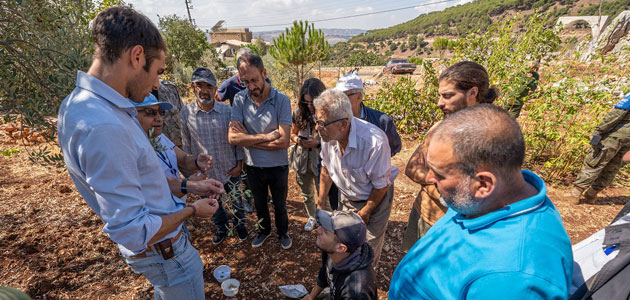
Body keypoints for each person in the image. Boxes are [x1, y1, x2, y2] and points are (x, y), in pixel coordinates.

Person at [57, 7, 223, 300]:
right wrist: (192, 211)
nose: (157, 84)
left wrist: (190, 185)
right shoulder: (103, 125)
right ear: (136, 57)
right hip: (166, 255)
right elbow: (134, 230)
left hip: (163, 254)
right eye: (157, 71)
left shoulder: (82, 105)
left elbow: (143, 180)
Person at [389, 104, 573, 299]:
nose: (430, 177)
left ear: (483, 184)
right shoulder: (481, 200)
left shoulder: (514, 278)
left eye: (440, 174)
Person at [402, 61, 499, 252]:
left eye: (447, 96)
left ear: (472, 93)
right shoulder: (440, 128)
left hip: (458, 229)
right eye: (440, 96)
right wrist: (442, 191)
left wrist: (435, 185)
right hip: (424, 215)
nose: (440, 103)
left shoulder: (493, 136)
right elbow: (412, 167)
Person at [314, 89, 397, 266]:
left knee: (367, 250)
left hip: (375, 198)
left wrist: (366, 211)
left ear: (343, 124)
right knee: (344, 245)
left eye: (321, 123)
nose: (316, 128)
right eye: (316, 122)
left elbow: (381, 185)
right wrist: (321, 203)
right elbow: (326, 170)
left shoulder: (374, 142)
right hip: (349, 195)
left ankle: (363, 284)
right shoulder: (328, 136)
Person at [228, 52, 293, 249]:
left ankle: (283, 232)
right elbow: (232, 137)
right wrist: (266, 136)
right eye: (245, 81)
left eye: (254, 80)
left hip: (278, 165)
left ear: (264, 73)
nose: (251, 87)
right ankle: (264, 231)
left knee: (280, 205)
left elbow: (284, 141)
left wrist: (247, 139)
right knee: (260, 203)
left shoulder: (281, 100)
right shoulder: (240, 99)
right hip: (252, 166)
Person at [181, 67, 248, 244]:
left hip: (229, 169)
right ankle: (221, 228)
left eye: (209, 86)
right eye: (200, 86)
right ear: (192, 87)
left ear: (215, 88)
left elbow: (238, 140)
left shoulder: (227, 112)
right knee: (213, 206)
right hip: (206, 175)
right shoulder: (186, 113)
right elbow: (186, 146)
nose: (204, 90)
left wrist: (239, 164)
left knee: (236, 202)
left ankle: (240, 226)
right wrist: (194, 175)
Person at [132, 94, 219, 199]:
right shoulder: (131, 148)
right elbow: (154, 191)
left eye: (161, 112)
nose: (159, 118)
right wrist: (189, 185)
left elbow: (183, 158)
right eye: (151, 113)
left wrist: (196, 161)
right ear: (132, 114)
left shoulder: (159, 137)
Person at [566, 91, 630, 204]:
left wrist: (599, 131)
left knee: (595, 161)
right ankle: (592, 193)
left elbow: (616, 114)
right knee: (613, 166)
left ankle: (575, 193)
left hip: (616, 135)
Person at [302, 209, 377, 300]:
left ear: (341, 248)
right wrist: (311, 297)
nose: (318, 229)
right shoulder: (331, 251)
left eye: (325, 231)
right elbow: (324, 275)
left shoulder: (356, 292)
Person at [334, 71, 402, 157]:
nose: (339, 100)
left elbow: (394, 147)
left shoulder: (381, 121)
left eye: (343, 96)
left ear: (359, 97)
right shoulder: (334, 121)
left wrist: (375, 160)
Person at [290, 78, 326, 231]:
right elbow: (292, 134)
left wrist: (317, 143)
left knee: (324, 195)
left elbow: (336, 141)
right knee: (307, 194)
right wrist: (297, 139)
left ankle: (326, 221)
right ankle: (312, 217)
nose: (310, 106)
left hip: (322, 162)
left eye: (313, 102)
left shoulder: (328, 114)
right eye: (306, 102)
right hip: (302, 160)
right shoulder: (298, 113)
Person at [154, 78, 185, 148]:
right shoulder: (134, 92)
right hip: (156, 147)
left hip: (179, 145)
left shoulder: (169, 87)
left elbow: (182, 112)